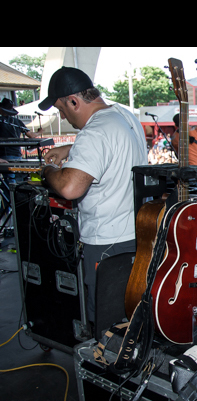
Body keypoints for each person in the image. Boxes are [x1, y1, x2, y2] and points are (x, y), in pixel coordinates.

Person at [38, 66, 148, 324]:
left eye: (61, 110)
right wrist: (72, 147)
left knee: (106, 321)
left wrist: (48, 171)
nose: (63, 118)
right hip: (135, 235)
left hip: (105, 243)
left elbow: (69, 188)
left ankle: (108, 362)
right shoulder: (124, 114)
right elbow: (110, 145)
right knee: (130, 315)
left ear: (74, 101)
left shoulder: (94, 132)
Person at [0, 97, 44, 164]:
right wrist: (39, 132)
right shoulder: (17, 122)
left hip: (3, 154)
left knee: (9, 173)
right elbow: (31, 135)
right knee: (17, 172)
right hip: (17, 153)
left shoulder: (1, 121)